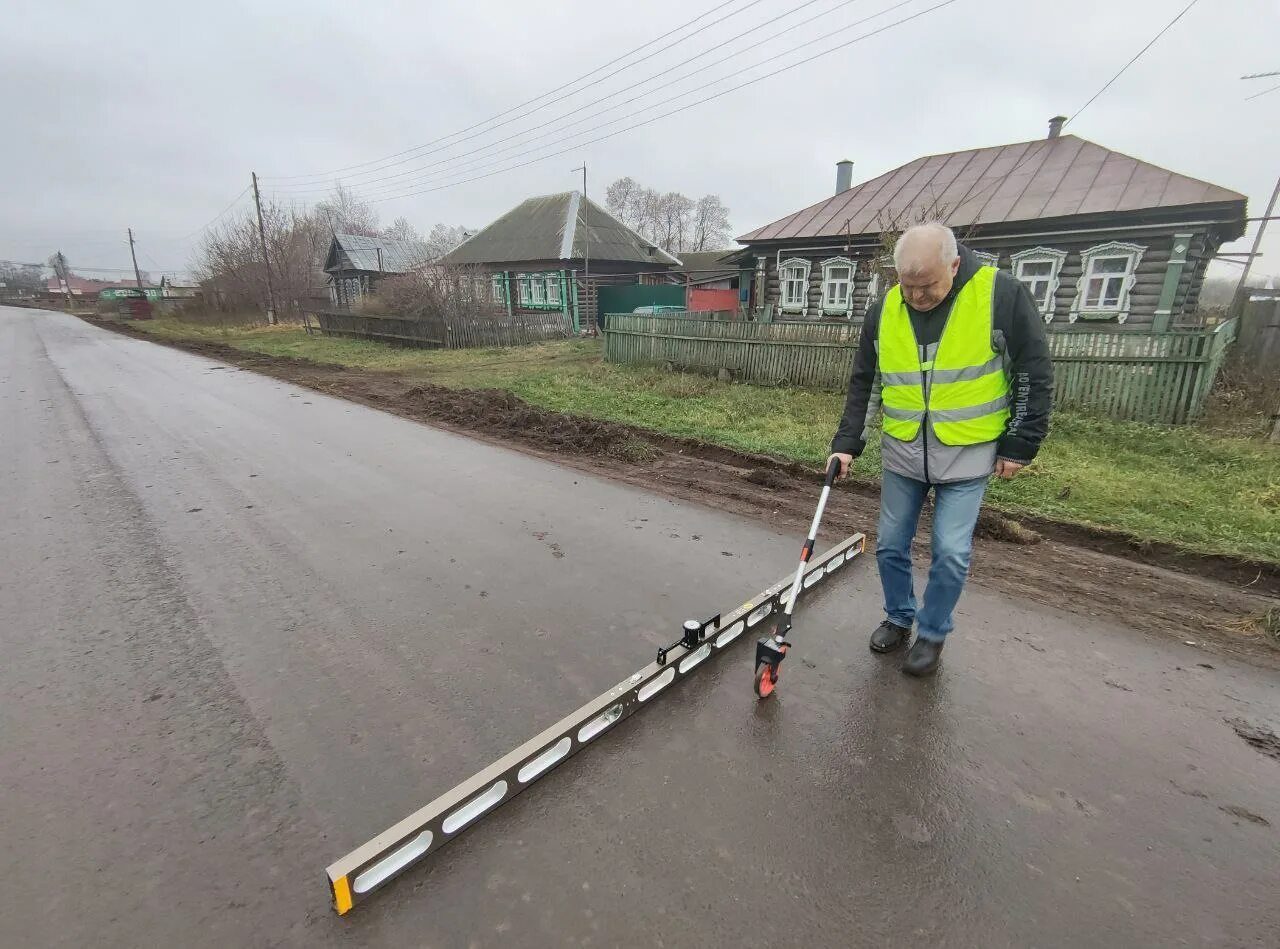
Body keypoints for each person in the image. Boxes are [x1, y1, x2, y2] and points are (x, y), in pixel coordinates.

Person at [828, 223, 1052, 677]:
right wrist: (848, 442)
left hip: (969, 451)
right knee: (890, 546)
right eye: (908, 287)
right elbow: (865, 382)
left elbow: (1033, 369)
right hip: (904, 449)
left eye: (927, 286)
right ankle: (898, 616)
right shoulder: (884, 310)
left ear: (954, 265)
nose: (917, 297)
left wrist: (1021, 441)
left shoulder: (999, 295)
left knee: (950, 552)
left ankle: (931, 633)